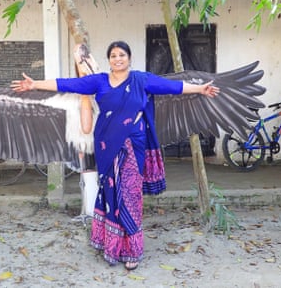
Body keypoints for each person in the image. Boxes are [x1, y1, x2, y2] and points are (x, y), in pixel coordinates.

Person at [11, 41, 219, 271]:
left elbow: (172, 86)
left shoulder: (142, 80)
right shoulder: (99, 81)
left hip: (133, 145)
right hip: (106, 145)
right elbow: (68, 83)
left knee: (129, 194)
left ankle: (132, 250)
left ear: (129, 58)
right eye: (113, 55)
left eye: (122, 55)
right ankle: (110, 245)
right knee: (110, 192)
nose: (117, 59)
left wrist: (200, 89)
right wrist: (34, 84)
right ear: (108, 59)